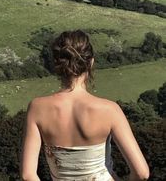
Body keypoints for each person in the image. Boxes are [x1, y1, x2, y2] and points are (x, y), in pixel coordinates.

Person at [20, 30, 149, 181]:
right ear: (91, 62)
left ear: (56, 64)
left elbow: (28, 175)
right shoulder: (109, 110)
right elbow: (142, 173)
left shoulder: (37, 108)